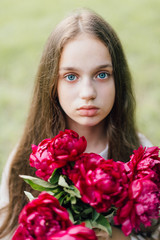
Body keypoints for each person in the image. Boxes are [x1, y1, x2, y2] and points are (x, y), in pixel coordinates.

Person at [0, 8, 159, 240]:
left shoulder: (140, 155)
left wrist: (114, 235)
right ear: (52, 83)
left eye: (102, 74)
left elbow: (153, 231)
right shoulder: (25, 158)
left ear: (119, 79)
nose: (87, 93)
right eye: (71, 77)